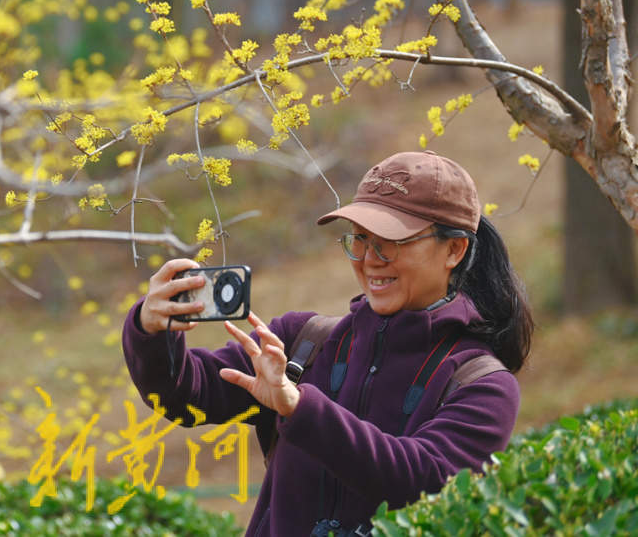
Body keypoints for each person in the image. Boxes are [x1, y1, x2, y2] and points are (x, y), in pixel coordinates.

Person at [121, 151, 533, 536]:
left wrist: (300, 408)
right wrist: (151, 330)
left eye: (392, 241)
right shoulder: (301, 344)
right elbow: (184, 396)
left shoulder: (482, 384)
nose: (370, 258)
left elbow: (423, 481)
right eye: (359, 238)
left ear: (454, 250)